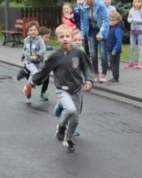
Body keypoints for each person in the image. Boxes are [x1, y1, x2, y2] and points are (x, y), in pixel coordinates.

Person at [30, 25, 94, 153]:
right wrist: (33, 82)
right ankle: (61, 126)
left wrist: (89, 81)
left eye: (67, 36)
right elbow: (44, 71)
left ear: (71, 38)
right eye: (61, 37)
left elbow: (87, 67)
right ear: (57, 39)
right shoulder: (55, 56)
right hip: (62, 89)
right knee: (70, 110)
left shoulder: (79, 53)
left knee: (75, 118)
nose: (65, 39)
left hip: (77, 89)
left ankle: (68, 139)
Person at [19, 22, 49, 101]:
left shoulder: (40, 40)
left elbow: (43, 50)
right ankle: (28, 86)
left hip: (38, 62)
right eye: (31, 30)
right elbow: (24, 48)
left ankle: (29, 81)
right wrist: (22, 55)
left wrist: (37, 55)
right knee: (35, 72)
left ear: (38, 31)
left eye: (35, 30)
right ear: (28, 32)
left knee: (42, 76)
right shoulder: (26, 40)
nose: (33, 32)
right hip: (28, 61)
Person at [103, 9, 124, 83]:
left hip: (115, 50)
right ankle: (114, 77)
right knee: (112, 64)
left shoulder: (117, 29)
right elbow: (108, 37)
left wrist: (115, 50)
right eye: (111, 20)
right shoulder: (111, 28)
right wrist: (103, 37)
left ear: (118, 21)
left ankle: (115, 78)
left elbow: (119, 41)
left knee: (114, 64)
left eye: (114, 20)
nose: (112, 21)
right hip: (110, 49)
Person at [127, 0, 142, 68]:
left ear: (141, 3)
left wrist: (136, 20)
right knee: (132, 47)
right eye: (136, 2)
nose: (137, 3)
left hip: (139, 31)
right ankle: (131, 62)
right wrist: (130, 20)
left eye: (139, 2)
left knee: (140, 46)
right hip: (132, 30)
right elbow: (128, 18)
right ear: (133, 3)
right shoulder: (131, 10)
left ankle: (140, 63)